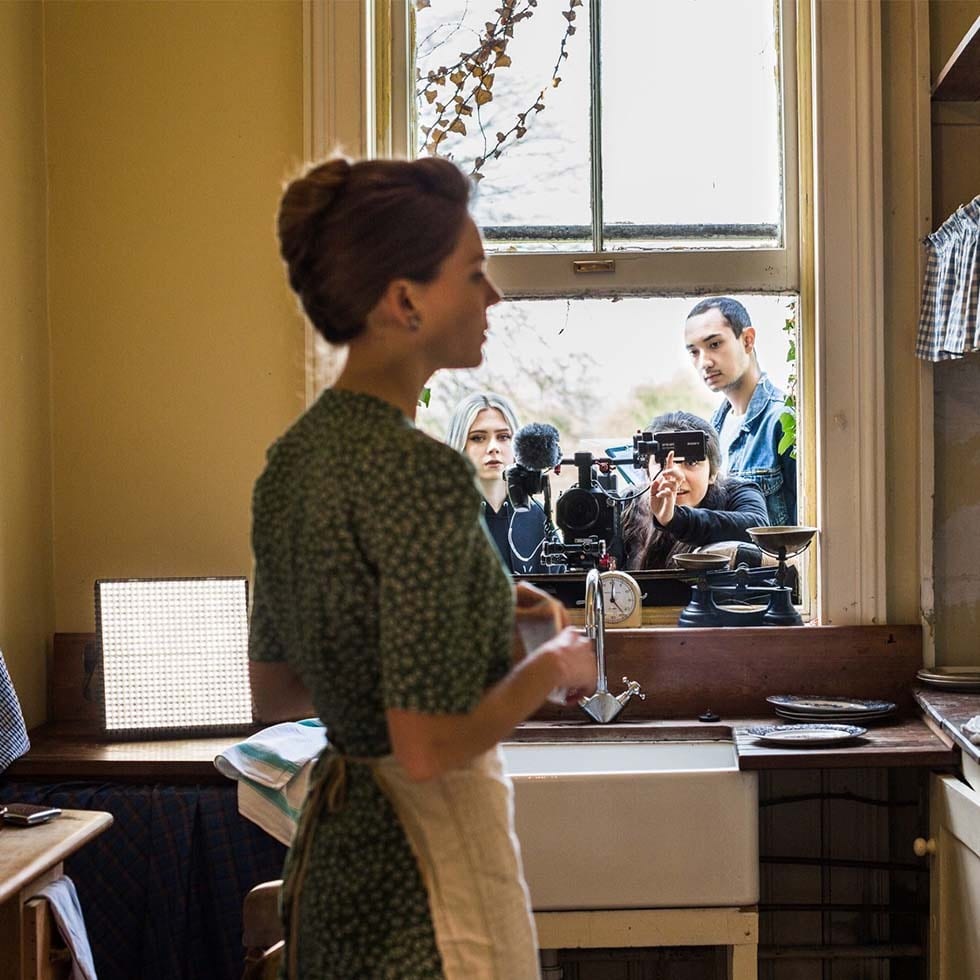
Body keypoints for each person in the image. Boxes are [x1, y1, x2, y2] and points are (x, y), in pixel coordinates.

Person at [248, 155, 597, 980]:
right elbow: (428, 748)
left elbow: (279, 691)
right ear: (404, 301)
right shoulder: (423, 472)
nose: (493, 297)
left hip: (335, 870)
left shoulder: (288, 466)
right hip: (421, 885)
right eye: (473, 274)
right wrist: (551, 664)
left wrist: (472, 605)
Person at [684, 296, 797, 525]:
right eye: (694, 352)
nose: (704, 362)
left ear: (747, 340)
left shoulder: (782, 421)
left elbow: (807, 524)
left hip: (770, 561)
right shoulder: (711, 430)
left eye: (714, 344)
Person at [622, 411, 770, 570]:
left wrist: (673, 519)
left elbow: (757, 528)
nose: (676, 476)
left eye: (691, 462)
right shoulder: (628, 505)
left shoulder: (737, 493)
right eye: (663, 463)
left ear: (713, 473)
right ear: (647, 471)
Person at [445, 391, 555, 574]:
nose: (493, 448)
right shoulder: (442, 516)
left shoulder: (538, 516)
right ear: (460, 444)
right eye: (478, 438)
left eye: (503, 436)